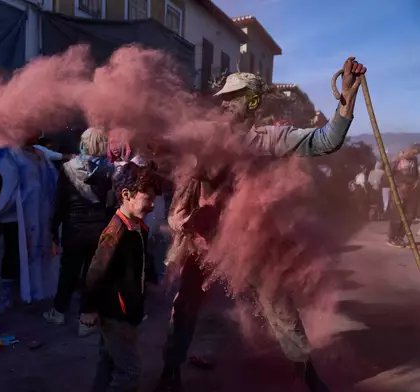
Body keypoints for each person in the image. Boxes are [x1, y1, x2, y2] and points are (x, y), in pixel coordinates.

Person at [155, 57, 366, 392]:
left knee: (279, 305)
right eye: (222, 98)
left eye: (232, 97)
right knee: (185, 304)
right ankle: (170, 371)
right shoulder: (204, 136)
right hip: (204, 238)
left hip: (249, 242)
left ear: (251, 101)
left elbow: (325, 141)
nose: (224, 103)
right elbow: (173, 157)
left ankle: (307, 374)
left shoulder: (269, 139)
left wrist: (347, 102)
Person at [85, 162, 159, 392]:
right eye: (148, 199)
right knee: (130, 373)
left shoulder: (136, 227)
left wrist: (150, 278)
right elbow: (96, 272)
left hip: (126, 312)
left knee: (107, 363)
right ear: (127, 195)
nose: (153, 205)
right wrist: (88, 307)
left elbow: (139, 260)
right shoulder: (116, 232)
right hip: (117, 315)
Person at [43, 127, 114, 337]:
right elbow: (112, 204)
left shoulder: (67, 168)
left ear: (83, 143)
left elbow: (59, 204)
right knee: (92, 276)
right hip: (100, 230)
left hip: (73, 229)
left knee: (68, 272)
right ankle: (86, 319)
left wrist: (54, 233)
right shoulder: (110, 170)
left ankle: (58, 311)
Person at [0, 134, 58, 315]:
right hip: (14, 216)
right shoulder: (7, 154)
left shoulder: (39, 153)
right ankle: (7, 296)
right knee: (12, 252)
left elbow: (58, 159)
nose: (37, 133)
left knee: (36, 251)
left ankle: (35, 290)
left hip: (38, 215)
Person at [387, 148, 418, 247]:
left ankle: (400, 237)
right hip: (398, 189)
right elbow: (389, 172)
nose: (414, 154)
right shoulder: (397, 159)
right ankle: (392, 238)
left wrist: (416, 182)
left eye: (417, 153)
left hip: (410, 190)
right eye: (414, 151)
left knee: (409, 215)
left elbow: (416, 174)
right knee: (397, 214)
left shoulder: (414, 160)